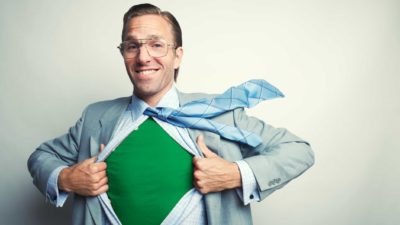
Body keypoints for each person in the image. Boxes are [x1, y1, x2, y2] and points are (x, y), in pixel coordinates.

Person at [28, 3, 314, 225]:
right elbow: (40, 157)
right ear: (124, 53)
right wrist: (65, 179)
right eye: (132, 46)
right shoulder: (95, 116)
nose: (143, 57)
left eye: (156, 44)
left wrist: (235, 174)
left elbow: (298, 150)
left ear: (177, 55)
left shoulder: (219, 113)